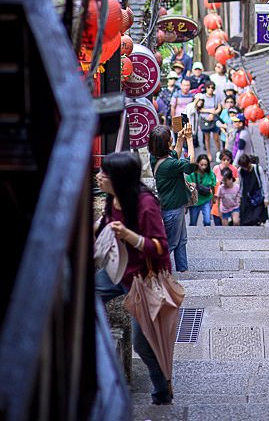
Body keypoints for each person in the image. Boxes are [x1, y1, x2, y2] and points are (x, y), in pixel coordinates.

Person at [94, 151, 174, 405]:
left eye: (104, 174)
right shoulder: (113, 198)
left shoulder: (145, 204)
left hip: (145, 279)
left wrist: (129, 235)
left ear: (119, 178)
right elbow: (107, 222)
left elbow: (161, 246)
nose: (98, 177)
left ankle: (162, 389)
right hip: (119, 270)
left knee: (142, 343)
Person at [149, 123, 197, 273]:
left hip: (174, 206)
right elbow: (191, 166)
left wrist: (180, 139)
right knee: (172, 243)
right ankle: (155, 272)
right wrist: (190, 139)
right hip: (172, 209)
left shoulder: (156, 158)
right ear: (167, 143)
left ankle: (183, 270)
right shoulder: (169, 165)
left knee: (181, 240)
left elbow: (174, 154)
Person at [238, 153, 268, 226]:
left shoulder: (257, 169)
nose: (244, 169)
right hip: (246, 197)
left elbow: (263, 183)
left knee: (256, 217)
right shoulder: (240, 171)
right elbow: (241, 184)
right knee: (245, 219)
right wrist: (239, 196)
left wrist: (266, 198)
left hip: (257, 196)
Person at [186, 153, 216, 226]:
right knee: (193, 222)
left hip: (206, 199)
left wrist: (213, 198)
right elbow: (186, 186)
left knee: (207, 221)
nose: (203, 167)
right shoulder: (192, 174)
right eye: (201, 165)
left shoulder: (210, 174)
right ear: (198, 163)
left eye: (205, 165)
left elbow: (213, 186)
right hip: (195, 201)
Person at [199, 81, 222, 159]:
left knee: (216, 137)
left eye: (212, 88)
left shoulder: (216, 97)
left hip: (214, 119)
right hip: (205, 119)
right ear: (206, 88)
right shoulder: (202, 97)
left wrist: (214, 113)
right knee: (207, 138)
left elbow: (219, 108)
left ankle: (218, 152)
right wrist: (209, 111)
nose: (210, 89)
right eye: (209, 87)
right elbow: (199, 109)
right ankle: (208, 153)